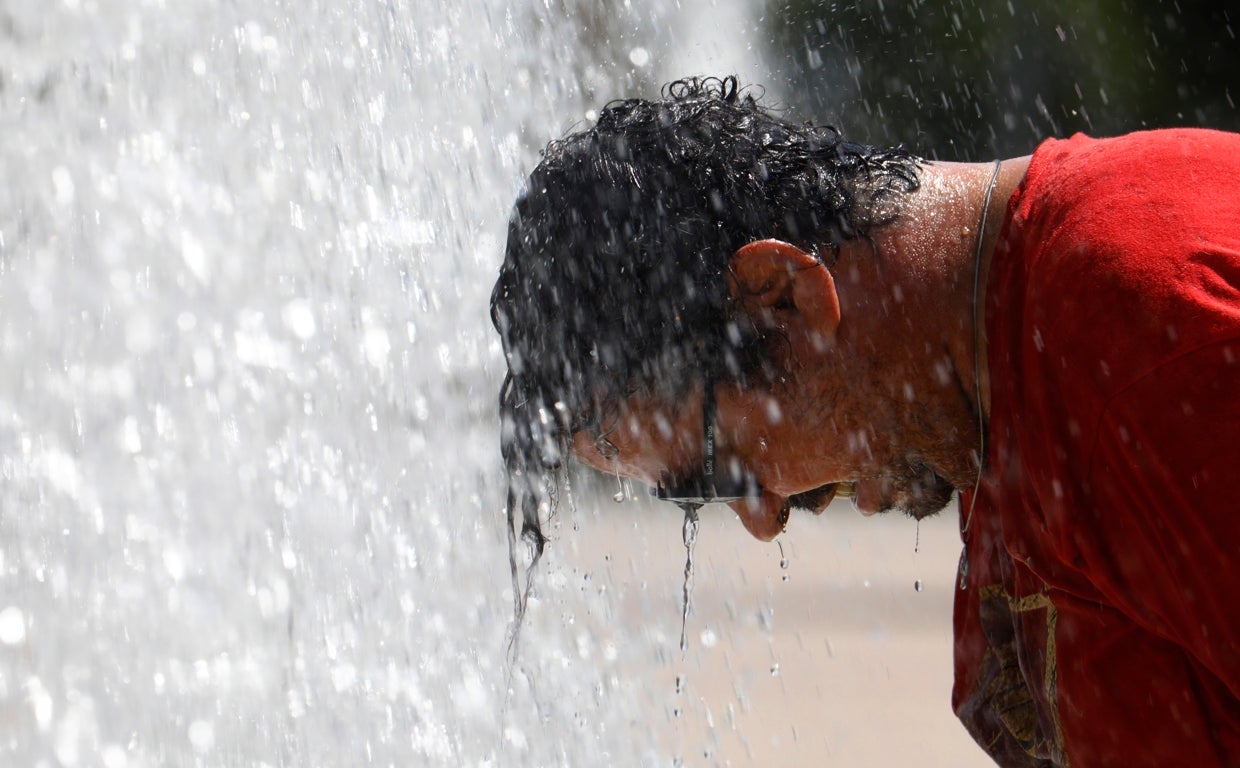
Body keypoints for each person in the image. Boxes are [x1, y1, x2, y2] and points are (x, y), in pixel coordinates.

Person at [490, 75, 1240, 766]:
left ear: (785, 298)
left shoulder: (1140, 343)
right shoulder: (1006, 395)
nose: (762, 519)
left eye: (720, 469)